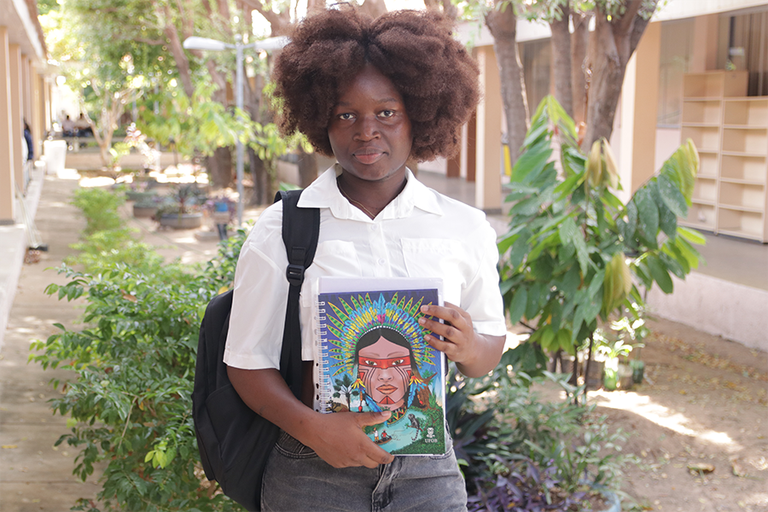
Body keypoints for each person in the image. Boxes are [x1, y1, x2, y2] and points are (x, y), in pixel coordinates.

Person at [224, 8, 507, 512]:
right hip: (312, 470)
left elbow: (489, 349)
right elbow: (246, 363)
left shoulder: (463, 227)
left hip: (427, 474)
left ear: (420, 113)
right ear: (320, 119)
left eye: (387, 112)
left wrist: (467, 344)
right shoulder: (282, 228)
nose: (366, 131)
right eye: (345, 114)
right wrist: (315, 430)